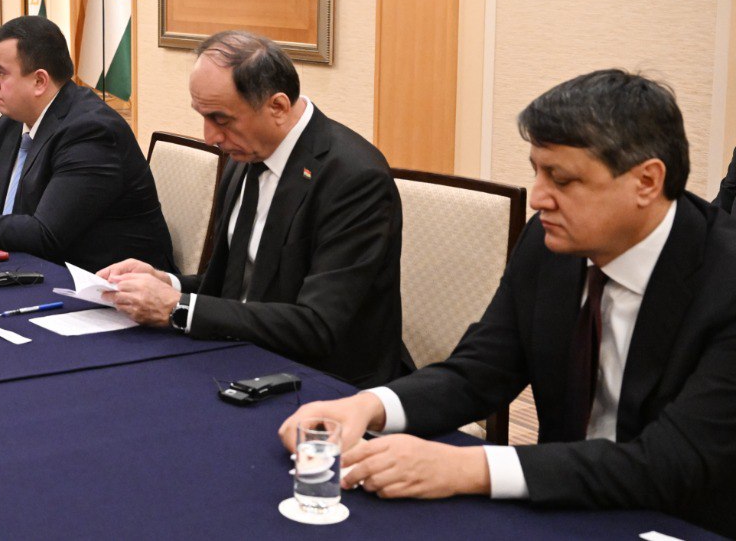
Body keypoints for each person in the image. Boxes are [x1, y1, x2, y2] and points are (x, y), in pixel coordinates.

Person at [277, 69, 736, 537]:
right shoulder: (549, 243)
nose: (538, 199)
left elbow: (673, 460)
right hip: (562, 505)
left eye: (562, 180)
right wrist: (367, 406)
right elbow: (480, 372)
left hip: (683, 520)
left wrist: (468, 467)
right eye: (537, 171)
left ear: (647, 181)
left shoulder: (724, 281)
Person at [97, 30, 409, 388]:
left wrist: (177, 307)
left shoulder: (353, 178)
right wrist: (165, 282)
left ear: (277, 107)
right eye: (203, 116)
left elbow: (318, 326)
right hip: (241, 356)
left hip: (326, 381)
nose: (210, 137)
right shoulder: (244, 157)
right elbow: (235, 289)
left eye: (221, 119)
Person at [0, 15, 173, 272]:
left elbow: (45, 233)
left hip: (106, 286)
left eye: (1, 72)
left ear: (39, 81)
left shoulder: (91, 132)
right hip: (29, 267)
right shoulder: (13, 120)